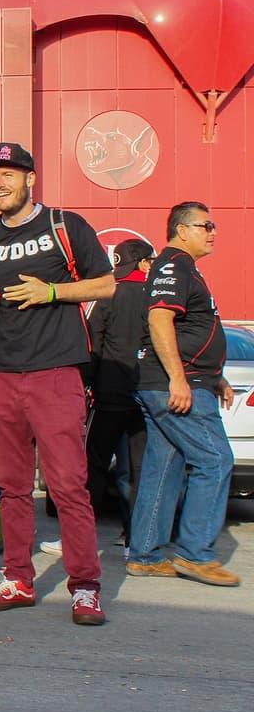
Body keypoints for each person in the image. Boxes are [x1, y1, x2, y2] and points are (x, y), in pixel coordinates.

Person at [0, 142, 115, 626]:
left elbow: (106, 283)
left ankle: (85, 587)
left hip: (56, 372)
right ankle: (17, 578)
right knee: (10, 487)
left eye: (8, 174)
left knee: (68, 486)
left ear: (30, 179)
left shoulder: (63, 224)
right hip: (0, 373)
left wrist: (52, 290)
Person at [128, 203, 240, 586]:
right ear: (181, 230)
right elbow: (160, 318)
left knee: (163, 467)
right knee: (215, 460)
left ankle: (144, 555)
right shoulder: (174, 265)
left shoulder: (184, 268)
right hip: (175, 385)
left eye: (213, 225)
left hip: (184, 380)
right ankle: (195, 554)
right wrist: (179, 378)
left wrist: (215, 378)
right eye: (205, 225)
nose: (213, 232)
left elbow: (193, 331)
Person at [85, 238, 155, 543]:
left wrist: (86, 382)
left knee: (93, 463)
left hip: (109, 394)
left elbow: (92, 343)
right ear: (144, 263)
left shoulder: (108, 293)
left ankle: (81, 535)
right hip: (146, 395)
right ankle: (135, 538)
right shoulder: (156, 297)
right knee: (138, 468)